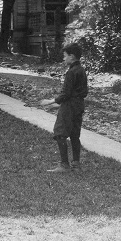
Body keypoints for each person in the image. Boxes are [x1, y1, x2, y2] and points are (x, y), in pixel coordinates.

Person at [42, 43, 88, 172]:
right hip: (78, 105)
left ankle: (64, 165)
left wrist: (50, 101)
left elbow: (66, 94)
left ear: (72, 57)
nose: (63, 59)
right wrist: (59, 105)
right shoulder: (81, 70)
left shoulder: (71, 72)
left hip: (70, 106)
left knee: (60, 133)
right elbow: (78, 93)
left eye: (65, 56)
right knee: (74, 134)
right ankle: (76, 164)